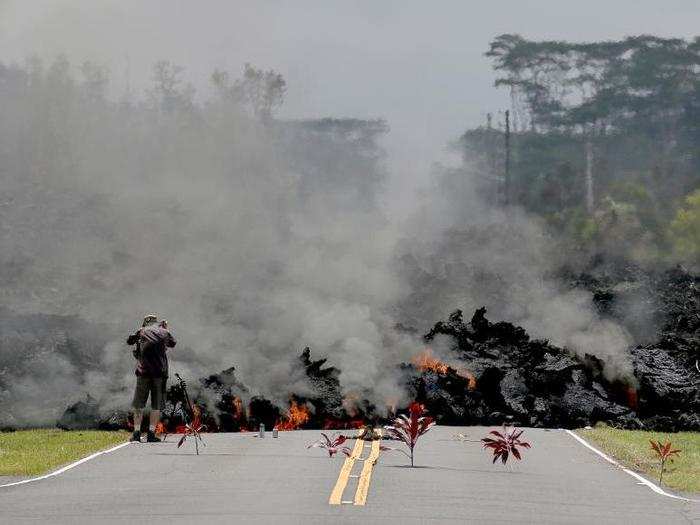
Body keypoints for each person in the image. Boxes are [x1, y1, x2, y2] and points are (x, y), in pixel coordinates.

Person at [126, 314, 176, 442]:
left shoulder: (142, 331)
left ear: (145, 323)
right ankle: (151, 434)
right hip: (160, 374)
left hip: (143, 372)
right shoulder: (164, 331)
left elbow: (129, 341)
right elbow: (172, 343)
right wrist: (166, 328)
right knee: (156, 405)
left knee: (138, 404)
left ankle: (136, 433)